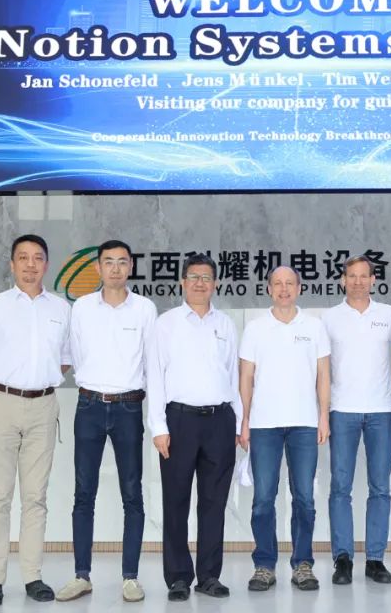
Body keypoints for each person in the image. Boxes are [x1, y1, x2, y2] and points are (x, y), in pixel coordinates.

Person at [0, 234, 71, 607]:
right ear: (12, 264)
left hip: (44, 407)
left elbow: (65, 359)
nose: (30, 264)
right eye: (23, 257)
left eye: (37, 258)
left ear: (46, 264)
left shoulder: (61, 309)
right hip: (1, 406)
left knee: (36, 497)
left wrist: (37, 384)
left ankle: (32, 577)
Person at [56, 240, 157, 604]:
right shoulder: (82, 308)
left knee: (133, 494)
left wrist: (157, 419)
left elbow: (153, 364)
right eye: (108, 262)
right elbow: (70, 355)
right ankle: (81, 575)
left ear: (131, 267)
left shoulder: (145, 309)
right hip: (89, 406)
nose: (115, 268)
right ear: (97, 268)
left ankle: (130, 577)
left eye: (122, 262)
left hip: (129, 408)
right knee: (84, 493)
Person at [146, 253, 242, 602]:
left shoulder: (225, 324)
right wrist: (158, 426)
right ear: (182, 282)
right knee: (176, 500)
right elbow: (155, 376)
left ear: (215, 283)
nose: (200, 283)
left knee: (214, 502)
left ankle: (209, 575)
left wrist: (237, 422)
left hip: (220, 421)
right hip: (179, 421)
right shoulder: (166, 324)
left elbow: (233, 376)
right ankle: (178, 577)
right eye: (194, 277)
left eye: (206, 277)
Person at [239, 266, 330, 593]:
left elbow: (323, 375)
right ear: (269, 289)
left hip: (304, 424)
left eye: (289, 283)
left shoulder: (314, 326)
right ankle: (264, 565)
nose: (283, 288)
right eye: (277, 283)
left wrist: (323, 417)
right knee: (263, 498)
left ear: (299, 287)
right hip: (264, 425)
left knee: (304, 497)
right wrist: (244, 420)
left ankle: (302, 564)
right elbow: (246, 377)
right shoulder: (255, 328)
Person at [321, 255, 391, 585]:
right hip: (342, 410)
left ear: (373, 280)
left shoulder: (389, 315)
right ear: (342, 280)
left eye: (364, 276)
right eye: (351, 276)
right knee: (340, 487)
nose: (357, 281)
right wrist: (322, 411)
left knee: (380, 487)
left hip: (382, 409)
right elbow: (321, 368)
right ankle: (343, 559)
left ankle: (375, 559)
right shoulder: (329, 318)